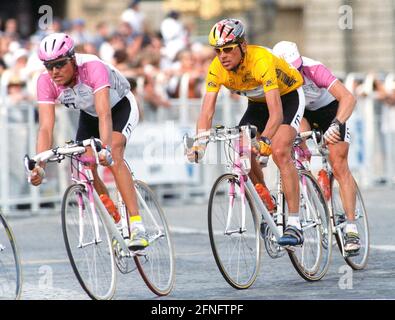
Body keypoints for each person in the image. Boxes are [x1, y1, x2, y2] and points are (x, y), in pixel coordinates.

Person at [187, 19, 306, 246]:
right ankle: (268, 204)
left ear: (243, 45)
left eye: (228, 49)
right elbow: (207, 111)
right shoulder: (216, 68)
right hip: (256, 102)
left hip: (287, 97)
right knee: (243, 152)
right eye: (218, 50)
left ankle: (294, 223)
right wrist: (199, 143)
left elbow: (277, 114)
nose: (222, 55)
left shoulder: (260, 61)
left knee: (280, 152)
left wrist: (265, 141)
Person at [31, 33, 148, 251]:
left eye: (59, 64)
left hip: (119, 107)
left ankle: (137, 224)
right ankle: (117, 223)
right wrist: (40, 165)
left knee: (112, 153)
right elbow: (46, 127)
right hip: (90, 114)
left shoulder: (92, 66)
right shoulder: (45, 82)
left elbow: (105, 113)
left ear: (72, 59)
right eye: (49, 66)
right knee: (85, 165)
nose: (54, 72)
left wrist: (104, 149)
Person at [273, 40, 360, 254]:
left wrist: (337, 124)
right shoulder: (272, 76)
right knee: (298, 149)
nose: (297, 73)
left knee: (338, 164)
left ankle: (351, 227)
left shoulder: (313, 69)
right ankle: (310, 189)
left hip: (330, 109)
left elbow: (348, 98)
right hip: (302, 112)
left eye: (297, 67)